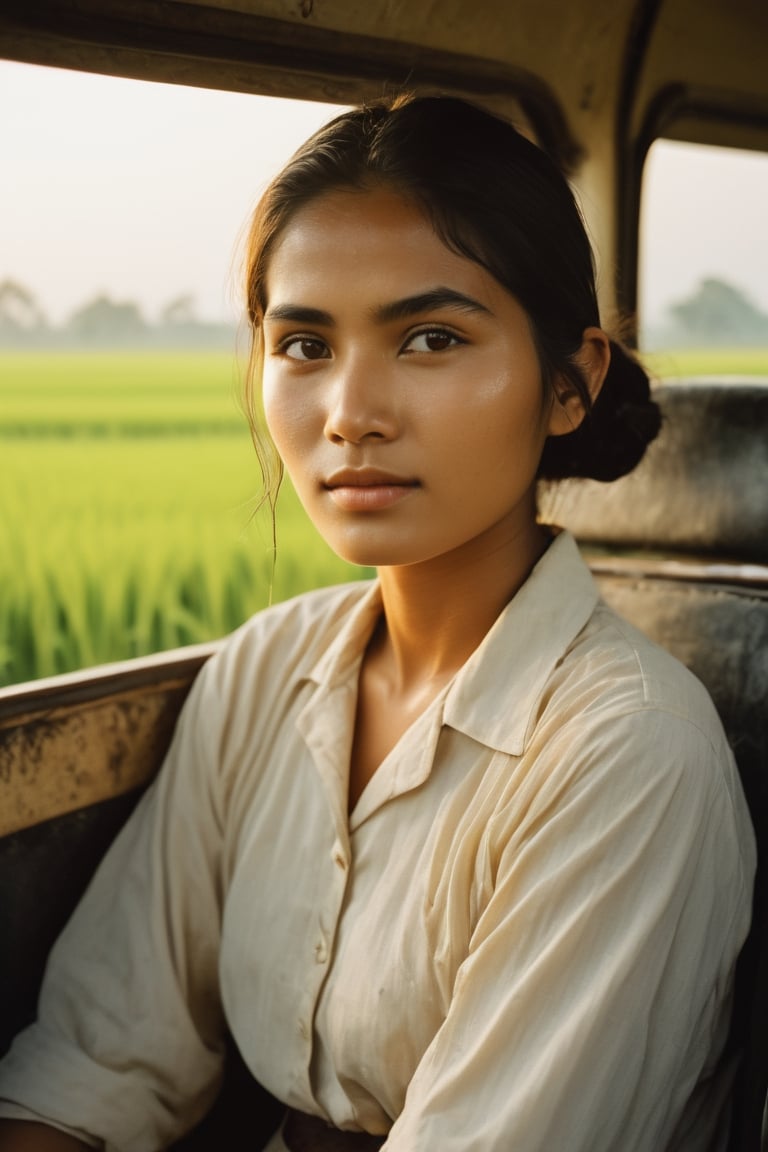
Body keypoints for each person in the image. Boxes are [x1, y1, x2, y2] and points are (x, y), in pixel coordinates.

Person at [0, 94, 755, 1152]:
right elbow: (102, 1058)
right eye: (304, 343)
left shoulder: (629, 757)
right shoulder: (268, 671)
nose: (350, 410)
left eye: (430, 337)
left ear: (571, 385)